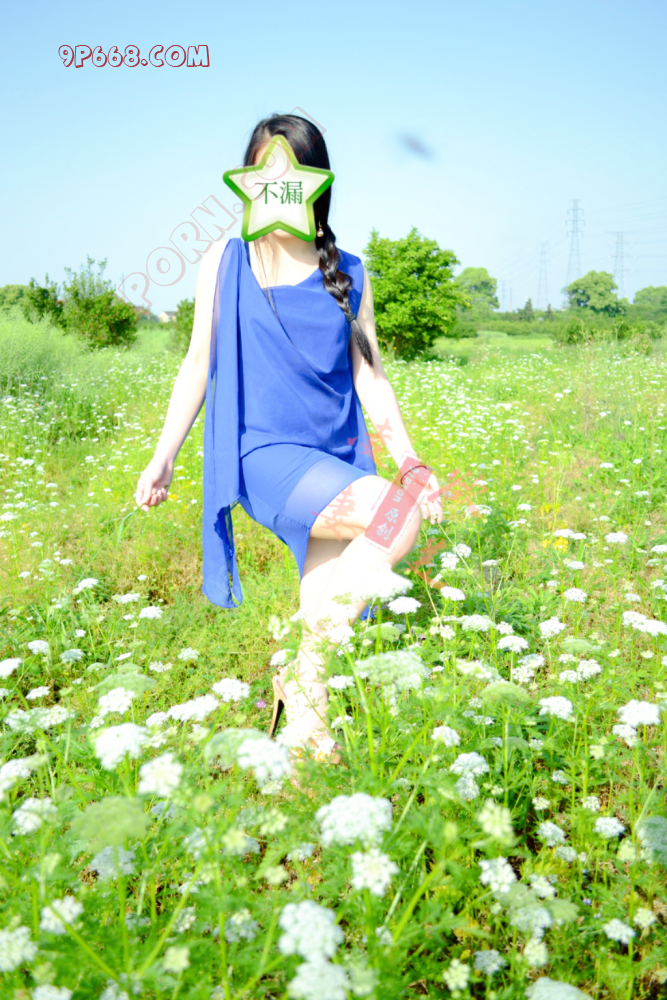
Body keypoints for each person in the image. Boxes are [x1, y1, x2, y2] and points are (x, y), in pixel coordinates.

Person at [135, 113, 443, 763]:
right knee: (396, 512)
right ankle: (303, 677)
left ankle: (308, 729)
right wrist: (164, 456)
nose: (276, 183)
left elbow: (370, 376)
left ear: (314, 182)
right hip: (264, 456)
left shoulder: (349, 271)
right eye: (263, 170)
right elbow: (197, 363)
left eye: (289, 171)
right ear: (248, 181)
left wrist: (410, 459)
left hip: (336, 456)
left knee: (326, 595)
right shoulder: (226, 260)